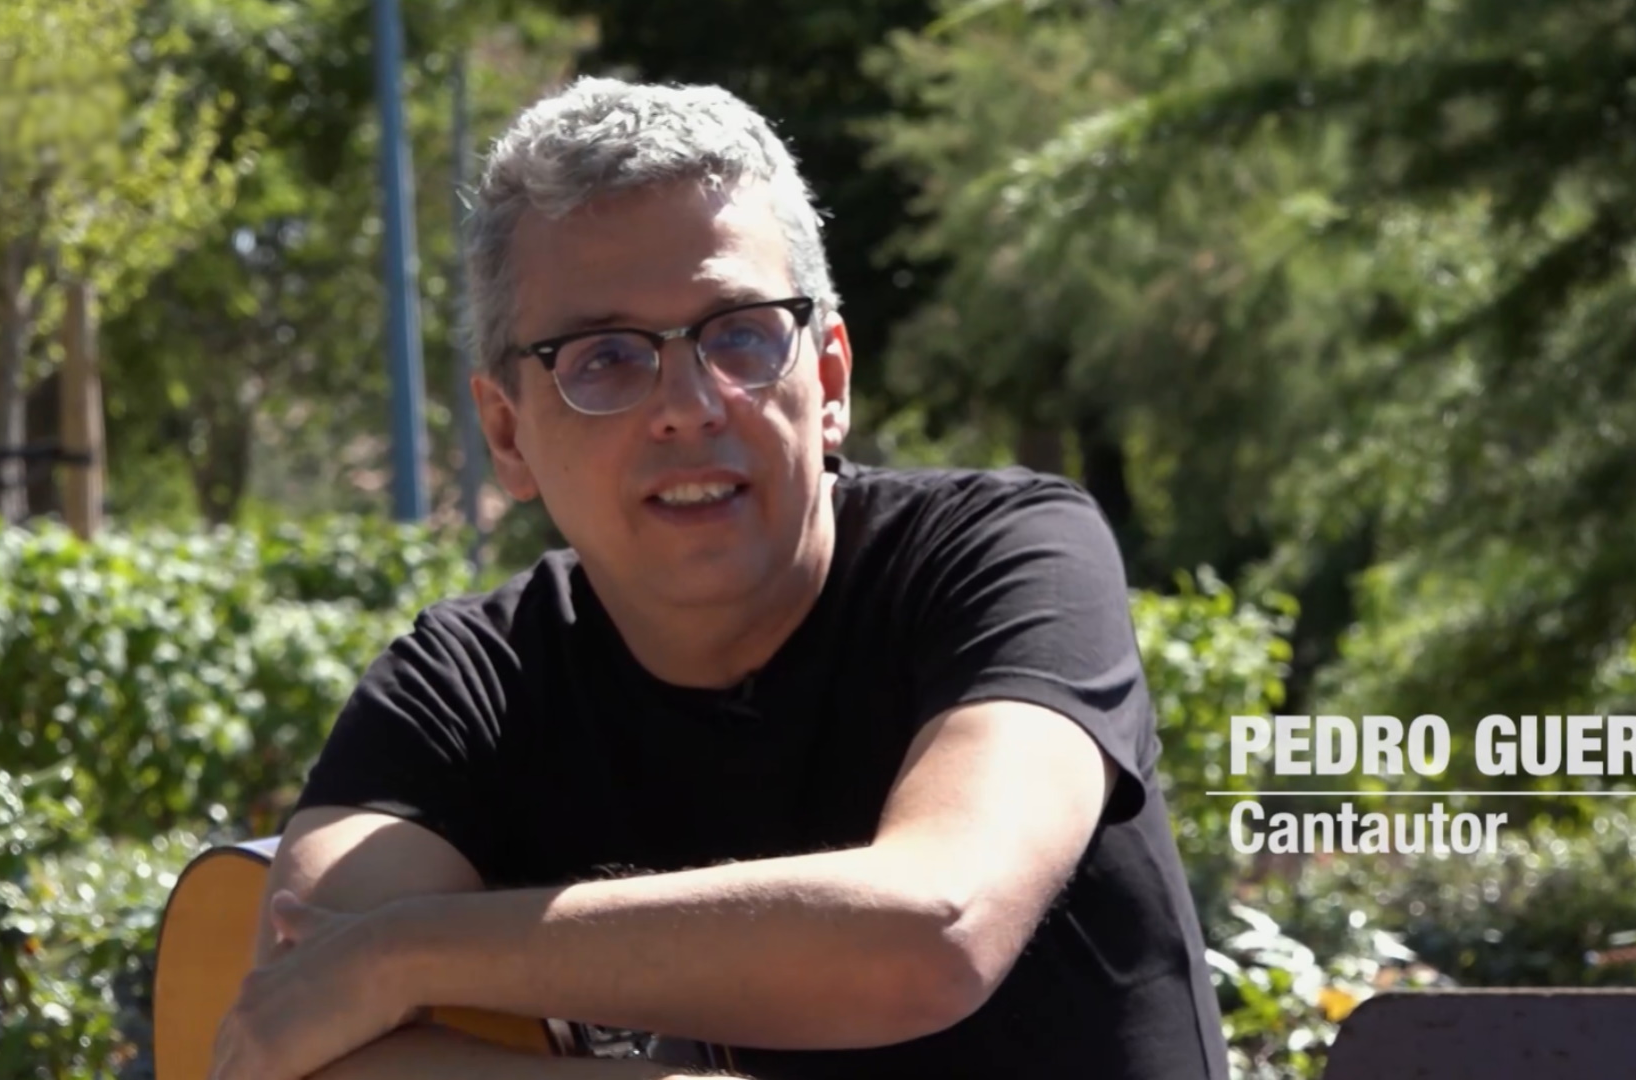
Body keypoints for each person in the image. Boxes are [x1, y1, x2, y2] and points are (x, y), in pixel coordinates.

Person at [210, 76, 1232, 1080]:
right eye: (604, 358)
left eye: (740, 336)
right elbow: (294, 1039)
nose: (689, 405)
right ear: (507, 434)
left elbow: (933, 930)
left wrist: (401, 952)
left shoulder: (1003, 556)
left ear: (828, 380)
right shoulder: (464, 689)